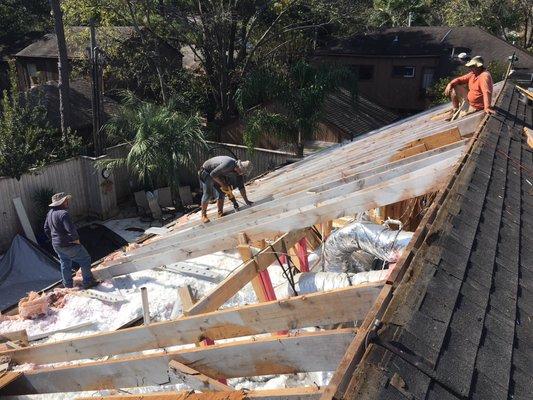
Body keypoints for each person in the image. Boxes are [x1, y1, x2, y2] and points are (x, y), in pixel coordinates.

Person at [44, 192, 97, 289]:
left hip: (56, 245)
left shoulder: (50, 213)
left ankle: (67, 285)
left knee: (65, 262)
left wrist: (54, 239)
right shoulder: (64, 214)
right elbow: (71, 230)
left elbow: (46, 229)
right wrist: (76, 240)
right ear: (62, 202)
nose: (67, 201)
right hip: (67, 244)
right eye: (66, 200)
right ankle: (88, 281)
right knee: (85, 259)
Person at [198, 156, 253, 223]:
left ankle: (220, 213)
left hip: (215, 174)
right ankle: (203, 215)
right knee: (208, 194)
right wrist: (222, 184)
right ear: (239, 167)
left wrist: (246, 201)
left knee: (221, 192)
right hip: (206, 172)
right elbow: (212, 174)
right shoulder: (228, 164)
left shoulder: (238, 172)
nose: (241, 174)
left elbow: (241, 187)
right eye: (241, 172)